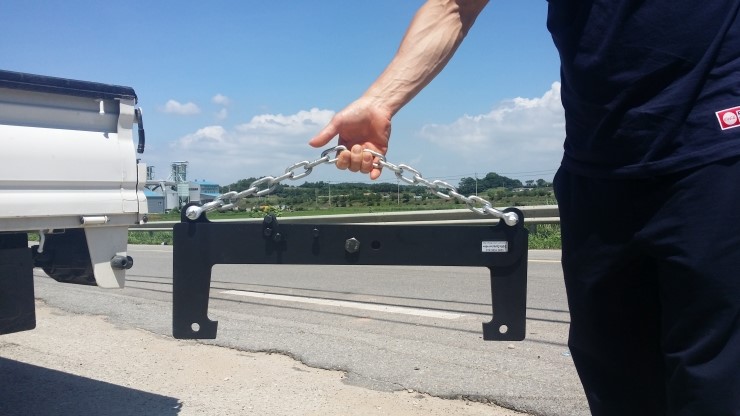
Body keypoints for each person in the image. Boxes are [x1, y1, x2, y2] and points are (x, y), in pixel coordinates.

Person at [309, 1, 740, 414]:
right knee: (617, 381)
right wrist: (381, 100)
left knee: (715, 384)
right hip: (595, 170)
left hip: (718, 148)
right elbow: (456, 4)